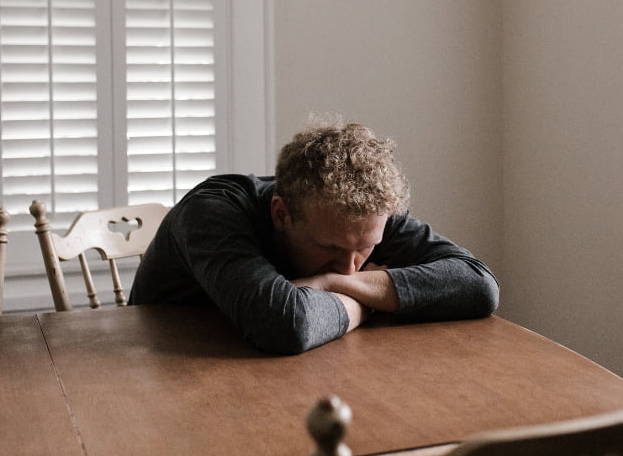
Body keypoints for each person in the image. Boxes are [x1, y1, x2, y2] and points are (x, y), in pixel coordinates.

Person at [129, 118, 499, 354]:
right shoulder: (211, 212)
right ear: (281, 214)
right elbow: (286, 324)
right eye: (329, 248)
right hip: (158, 372)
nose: (350, 268)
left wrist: (332, 284)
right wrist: (369, 302)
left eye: (366, 249)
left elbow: (479, 285)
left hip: (288, 368)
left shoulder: (364, 215)